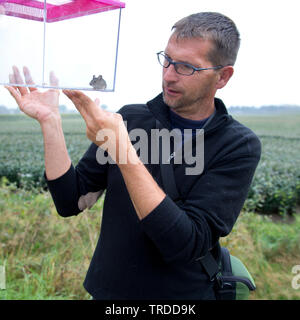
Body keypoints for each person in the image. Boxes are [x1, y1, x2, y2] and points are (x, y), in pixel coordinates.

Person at [6, 12, 261, 300]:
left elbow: (184, 244)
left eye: (186, 67)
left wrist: (123, 152)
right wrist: (50, 122)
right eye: (167, 59)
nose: (168, 74)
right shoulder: (130, 118)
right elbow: (71, 201)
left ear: (223, 76)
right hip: (108, 294)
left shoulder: (238, 145)